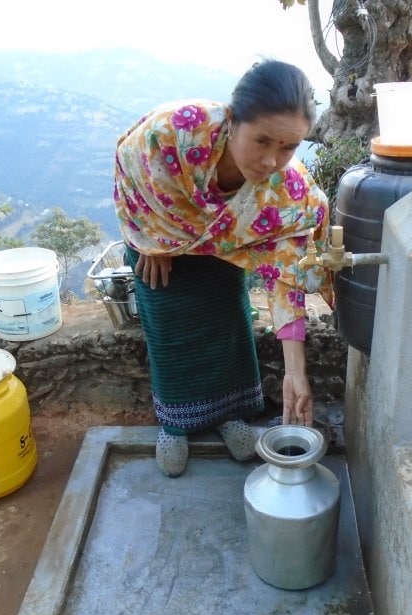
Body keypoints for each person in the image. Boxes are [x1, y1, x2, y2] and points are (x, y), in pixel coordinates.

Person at [113, 59, 332, 477]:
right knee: (170, 337)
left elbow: (287, 278)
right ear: (232, 120)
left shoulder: (289, 194)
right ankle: (175, 425)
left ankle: (231, 416)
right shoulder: (175, 130)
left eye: (288, 147)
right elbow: (130, 163)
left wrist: (295, 373)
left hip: (226, 251)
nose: (272, 161)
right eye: (262, 140)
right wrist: (152, 238)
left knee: (228, 330)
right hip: (159, 251)